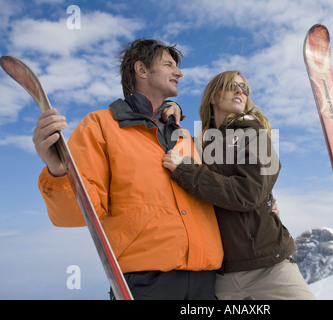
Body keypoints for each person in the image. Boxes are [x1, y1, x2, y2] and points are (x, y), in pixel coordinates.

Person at [33, 39, 224, 300]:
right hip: (147, 283)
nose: (179, 73)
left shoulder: (184, 138)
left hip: (208, 280)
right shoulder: (100, 126)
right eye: (168, 65)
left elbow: (211, 194)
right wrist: (58, 173)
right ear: (141, 70)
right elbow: (78, 213)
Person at [163, 70, 315, 300]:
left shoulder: (256, 135)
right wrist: (169, 106)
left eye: (244, 87)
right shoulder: (201, 145)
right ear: (213, 97)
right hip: (219, 274)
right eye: (231, 85)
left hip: (268, 266)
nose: (240, 90)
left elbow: (248, 193)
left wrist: (186, 171)